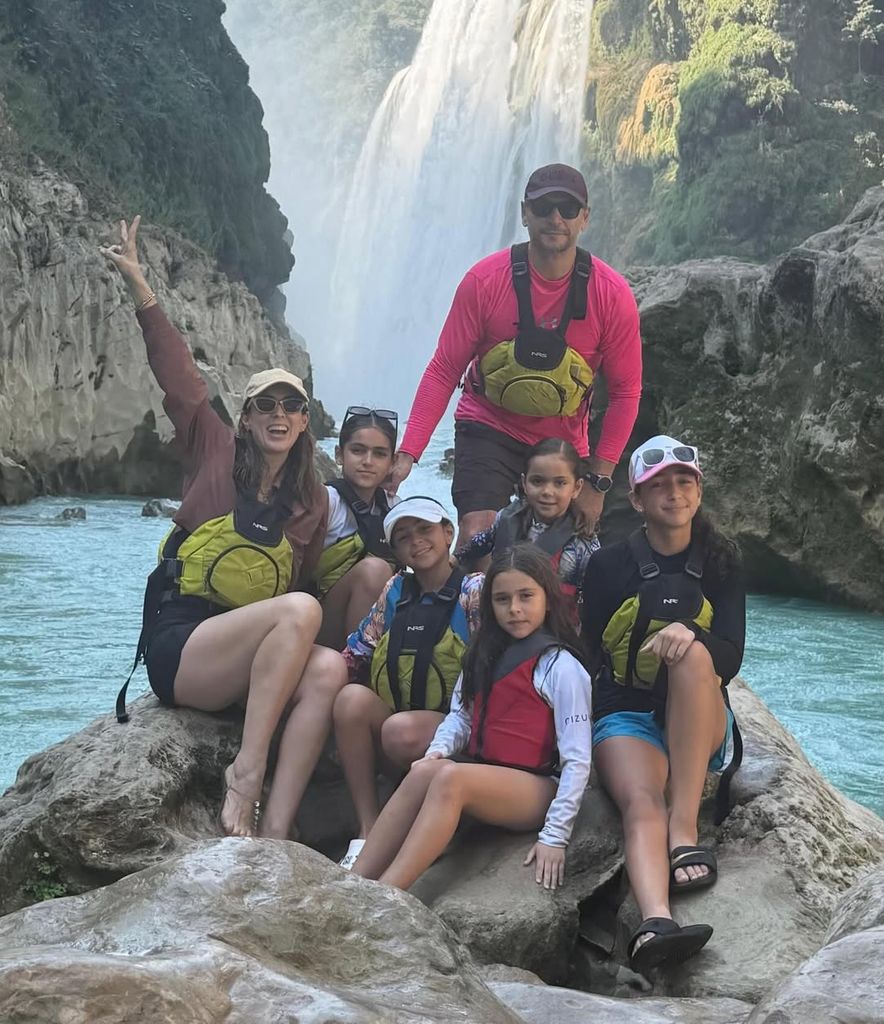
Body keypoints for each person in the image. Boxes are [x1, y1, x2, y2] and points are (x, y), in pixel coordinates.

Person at [103, 217, 348, 840]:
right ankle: (247, 771)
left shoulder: (311, 502)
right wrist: (140, 285)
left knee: (328, 671)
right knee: (299, 611)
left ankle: (276, 834)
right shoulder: (212, 447)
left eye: (292, 406)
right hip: (183, 643)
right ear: (245, 419)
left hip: (247, 656)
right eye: (265, 405)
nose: (278, 414)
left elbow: (306, 583)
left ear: (304, 423)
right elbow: (179, 376)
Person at [390, 162, 642, 544]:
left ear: (584, 218)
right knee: (479, 535)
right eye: (543, 207)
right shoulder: (484, 282)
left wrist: (598, 483)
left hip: (562, 440)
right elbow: (445, 369)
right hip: (488, 424)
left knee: (558, 552)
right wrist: (410, 451)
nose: (555, 218)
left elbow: (625, 393)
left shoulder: (612, 295)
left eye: (567, 208)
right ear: (525, 213)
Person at [581, 435, 745, 973]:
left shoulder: (722, 559)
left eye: (684, 482)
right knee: (641, 800)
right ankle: (655, 922)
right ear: (637, 498)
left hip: (697, 714)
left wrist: (688, 632)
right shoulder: (608, 565)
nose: (674, 493)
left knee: (695, 654)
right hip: (626, 710)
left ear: (699, 491)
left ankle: (685, 832)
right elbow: (590, 652)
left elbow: (730, 656)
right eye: (659, 486)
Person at [351, 543, 592, 891]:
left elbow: (577, 759)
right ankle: (353, 882)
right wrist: (436, 751)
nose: (515, 609)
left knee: (451, 778)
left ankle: (387, 893)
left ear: (548, 600)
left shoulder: (562, 667)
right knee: (426, 770)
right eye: (502, 599)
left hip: (536, 789)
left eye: (526, 596)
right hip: (487, 776)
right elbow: (461, 717)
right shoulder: (483, 653)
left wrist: (555, 836)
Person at [334, 496, 484, 868]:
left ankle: (443, 820)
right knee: (350, 700)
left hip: (459, 729)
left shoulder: (474, 590)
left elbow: (496, 662)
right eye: (403, 537)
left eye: (424, 529)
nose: (416, 541)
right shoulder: (396, 590)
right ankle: (368, 828)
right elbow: (359, 649)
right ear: (396, 552)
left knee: (398, 731)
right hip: (403, 725)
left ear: (448, 533)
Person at [455, 437, 599, 620]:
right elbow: (484, 541)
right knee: (474, 583)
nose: (547, 492)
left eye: (559, 483)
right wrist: (456, 558)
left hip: (556, 624)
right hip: (506, 614)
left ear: (577, 488)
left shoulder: (583, 541)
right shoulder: (507, 518)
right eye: (537, 481)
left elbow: (594, 593)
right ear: (524, 483)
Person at [313, 406, 401, 650]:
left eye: (379, 454)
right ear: (339, 454)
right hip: (316, 621)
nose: (368, 461)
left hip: (374, 619)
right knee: (374, 570)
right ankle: (358, 664)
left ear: (393, 462)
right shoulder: (326, 502)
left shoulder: (394, 508)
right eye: (358, 450)